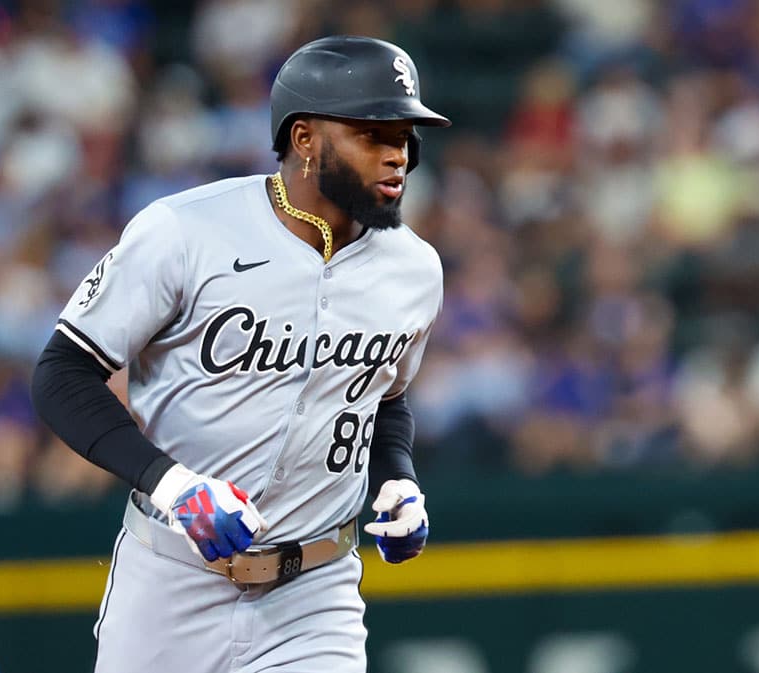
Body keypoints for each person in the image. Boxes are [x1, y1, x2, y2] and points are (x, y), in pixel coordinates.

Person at [31, 35, 449, 672]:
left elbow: (384, 397)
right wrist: (173, 486)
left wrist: (398, 476)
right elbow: (62, 373)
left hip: (315, 593)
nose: (397, 155)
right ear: (304, 138)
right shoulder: (185, 232)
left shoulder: (414, 269)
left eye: (405, 137)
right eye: (373, 133)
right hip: (171, 582)